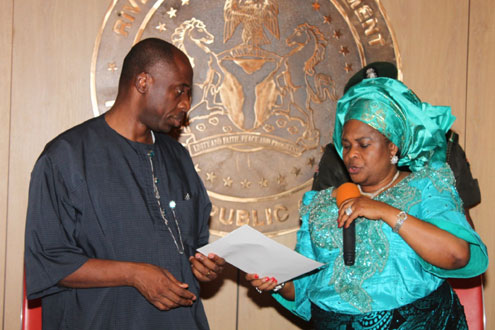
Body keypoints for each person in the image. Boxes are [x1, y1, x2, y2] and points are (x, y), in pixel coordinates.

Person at [246, 75, 488, 329]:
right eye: (347, 145)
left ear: (392, 147)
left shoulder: (426, 186)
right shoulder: (319, 205)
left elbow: (457, 255)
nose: (352, 154)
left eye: (363, 145)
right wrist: (280, 283)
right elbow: (306, 287)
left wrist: (385, 212)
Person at [24, 38, 225, 330]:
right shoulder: (66, 157)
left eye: (188, 93)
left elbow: (192, 247)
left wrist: (205, 268)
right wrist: (134, 274)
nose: (186, 104)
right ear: (143, 82)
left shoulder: (179, 157)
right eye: (179, 91)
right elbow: (50, 260)